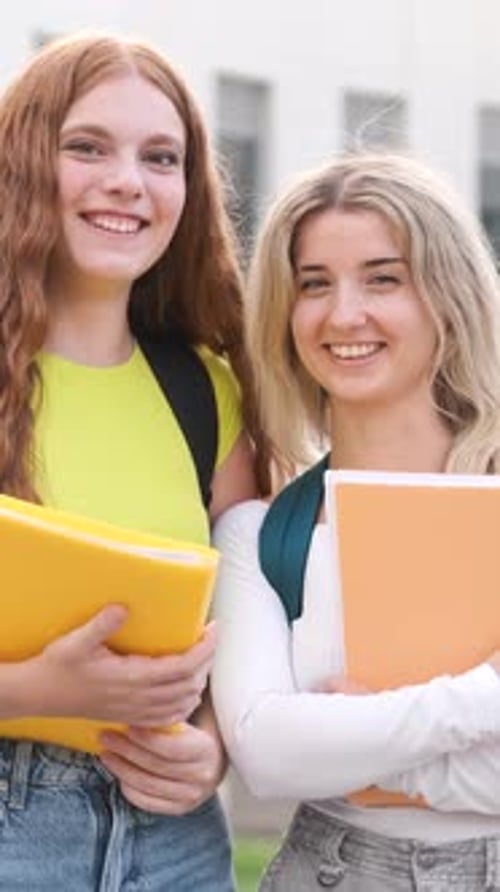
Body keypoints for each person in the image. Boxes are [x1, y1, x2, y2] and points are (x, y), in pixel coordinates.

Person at [0, 31, 269, 891]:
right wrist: (41, 687)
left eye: (162, 157)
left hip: (175, 840)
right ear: (22, 163)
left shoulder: (208, 392)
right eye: (87, 147)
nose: (129, 181)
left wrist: (214, 750)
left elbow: (253, 638)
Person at [211, 152, 500, 891]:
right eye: (314, 284)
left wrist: (365, 748)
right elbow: (268, 755)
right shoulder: (261, 533)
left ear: (449, 296)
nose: (344, 315)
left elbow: (306, 748)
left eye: (383, 278)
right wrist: (482, 700)